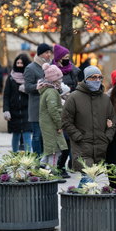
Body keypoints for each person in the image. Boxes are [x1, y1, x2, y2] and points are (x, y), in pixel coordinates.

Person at [62, 65, 116, 171]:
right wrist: (78, 136)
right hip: (82, 146)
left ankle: (76, 189)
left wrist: (107, 137)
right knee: (88, 178)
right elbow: (66, 121)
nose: (97, 80)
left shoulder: (105, 99)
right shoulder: (74, 97)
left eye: (99, 77)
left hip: (100, 146)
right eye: (93, 77)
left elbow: (112, 121)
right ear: (86, 79)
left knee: (91, 180)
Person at [52, 44, 80, 177]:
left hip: (72, 107)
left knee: (70, 138)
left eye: (68, 57)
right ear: (58, 58)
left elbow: (77, 87)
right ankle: (59, 166)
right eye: (64, 57)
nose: (67, 59)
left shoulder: (73, 70)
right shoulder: (52, 71)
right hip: (59, 107)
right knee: (62, 139)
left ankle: (67, 163)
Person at [24, 43, 53, 157]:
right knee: (37, 135)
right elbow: (27, 87)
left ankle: (46, 159)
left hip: (49, 105)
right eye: (46, 52)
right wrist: (36, 87)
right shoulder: (31, 68)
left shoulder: (51, 67)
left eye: (50, 52)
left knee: (47, 135)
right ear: (40, 54)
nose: (49, 55)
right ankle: (37, 158)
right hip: (36, 107)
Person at [38, 63, 68, 168]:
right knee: (54, 150)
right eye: (59, 78)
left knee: (50, 149)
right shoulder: (51, 92)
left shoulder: (47, 90)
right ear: (54, 79)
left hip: (48, 124)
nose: (61, 81)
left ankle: (41, 167)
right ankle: (51, 172)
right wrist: (59, 125)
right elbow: (53, 110)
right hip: (52, 125)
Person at [3, 54, 32, 152]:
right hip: (14, 111)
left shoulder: (29, 78)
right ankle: (14, 156)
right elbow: (6, 95)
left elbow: (36, 91)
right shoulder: (10, 78)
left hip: (27, 111)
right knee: (16, 135)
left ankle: (28, 158)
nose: (19, 65)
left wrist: (27, 89)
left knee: (27, 135)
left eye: (21, 63)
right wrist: (6, 110)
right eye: (18, 63)